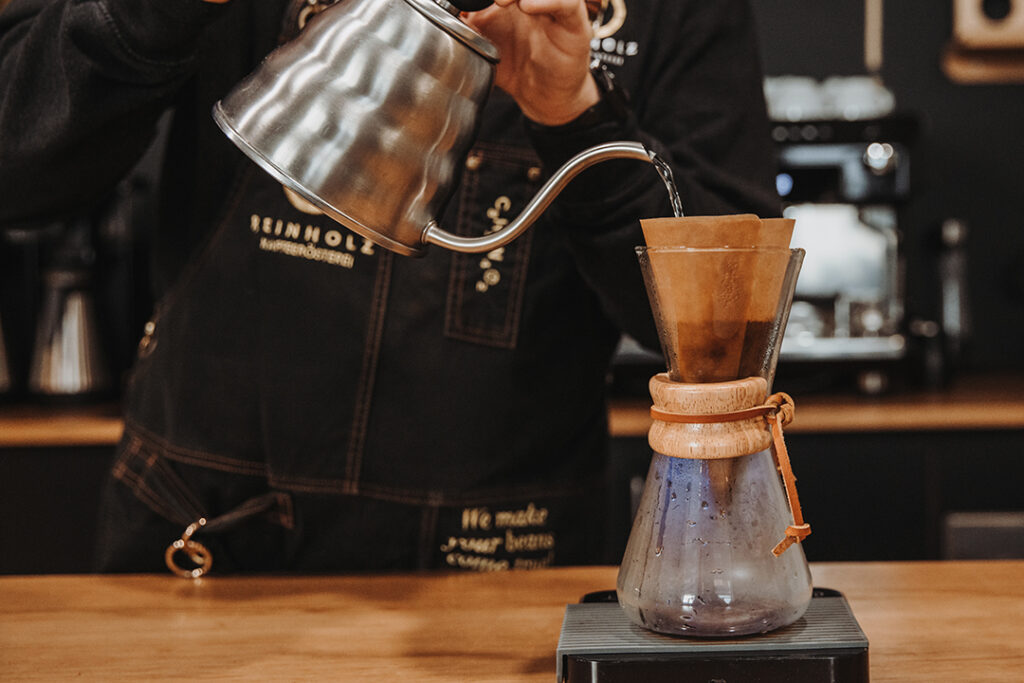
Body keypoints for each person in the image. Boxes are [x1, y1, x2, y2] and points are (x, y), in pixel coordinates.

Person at [0, 0, 780, 574]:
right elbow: (18, 166)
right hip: (201, 540)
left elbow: (724, 325)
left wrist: (575, 116)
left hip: (495, 568)